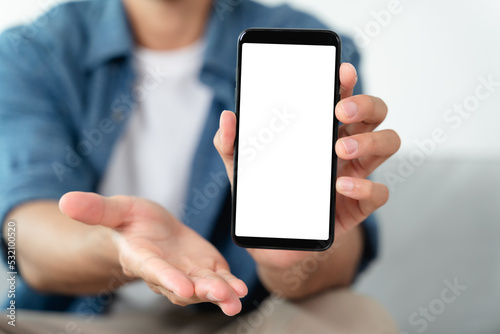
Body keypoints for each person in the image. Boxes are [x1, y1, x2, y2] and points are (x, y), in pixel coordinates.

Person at [0, 0, 400, 332]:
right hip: (75, 321)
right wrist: (123, 249)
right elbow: (26, 236)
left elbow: (340, 261)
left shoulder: (305, 41)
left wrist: (290, 258)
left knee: (356, 317)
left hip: (239, 319)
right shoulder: (33, 51)